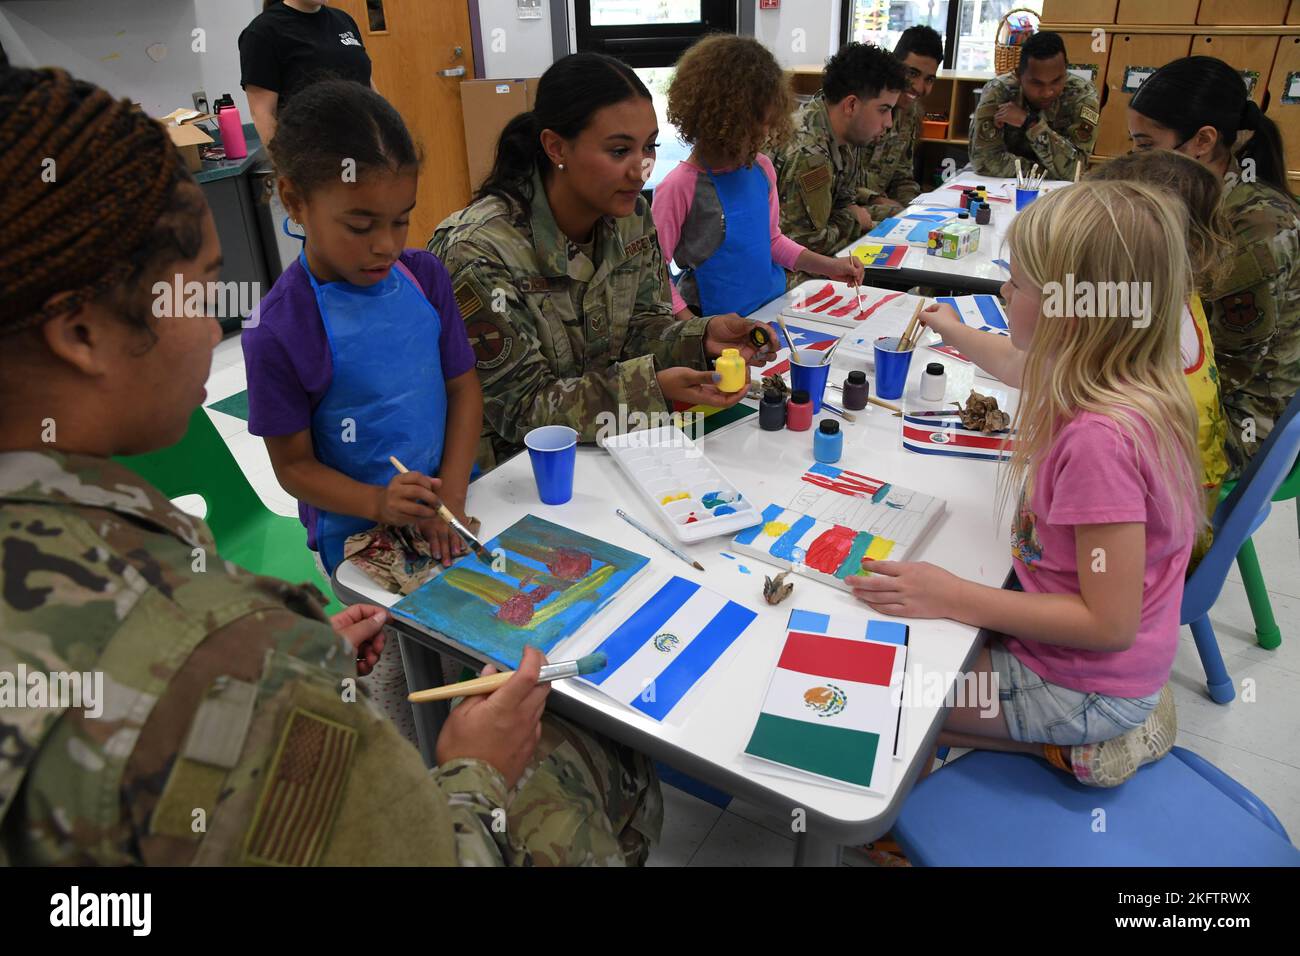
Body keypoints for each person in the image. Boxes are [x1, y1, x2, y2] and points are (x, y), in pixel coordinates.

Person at [0, 65, 661, 867]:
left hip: (438, 520)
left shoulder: (420, 279)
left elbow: (463, 390)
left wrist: (446, 495)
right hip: (368, 547)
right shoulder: (204, 643)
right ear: (80, 334)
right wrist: (474, 774)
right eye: (203, 288)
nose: (216, 332)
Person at [851, 182, 1201, 789]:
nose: (1004, 292)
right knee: (904, 696)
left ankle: (1084, 744)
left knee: (876, 693)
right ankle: (1075, 729)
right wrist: (948, 325)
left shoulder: (1101, 441)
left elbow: (1108, 624)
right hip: (1085, 662)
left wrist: (952, 595)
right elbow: (1014, 362)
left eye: (1017, 283)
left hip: (1078, 684)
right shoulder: (1103, 372)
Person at [429, 53, 777, 472]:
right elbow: (521, 410)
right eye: (618, 150)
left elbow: (640, 329)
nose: (640, 170)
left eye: (649, 147)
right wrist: (649, 392)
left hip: (611, 449)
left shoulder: (630, 218)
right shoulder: (480, 251)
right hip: (518, 476)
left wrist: (701, 338)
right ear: (556, 147)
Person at [1128, 55, 1300, 474]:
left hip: (1242, 418)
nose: (1137, 160)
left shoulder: (1256, 226)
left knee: (1093, 437)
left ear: (1202, 141)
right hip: (1199, 378)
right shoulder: (1200, 197)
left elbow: (1227, 368)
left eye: (1147, 146)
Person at [652, 34, 862, 321]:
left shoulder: (761, 168)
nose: (763, 136)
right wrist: (693, 330)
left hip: (771, 310)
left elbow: (773, 241)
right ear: (722, 121)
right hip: (713, 323)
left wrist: (828, 266)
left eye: (767, 125)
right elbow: (654, 274)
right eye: (755, 128)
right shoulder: (679, 187)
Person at [771, 42, 907, 279]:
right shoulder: (809, 154)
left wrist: (859, 212)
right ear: (851, 105)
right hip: (782, 272)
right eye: (883, 110)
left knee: (896, 217)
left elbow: (844, 201)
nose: (889, 123)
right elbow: (806, 244)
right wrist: (855, 219)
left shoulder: (843, 134)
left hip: (809, 254)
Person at [239, 0, 374, 146]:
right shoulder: (262, 32)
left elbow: (367, 84)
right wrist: (283, 167)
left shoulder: (344, 20)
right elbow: (263, 114)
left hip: (366, 147)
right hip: (311, 155)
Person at [970, 31, 1099, 181]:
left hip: (1056, 193)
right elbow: (983, 162)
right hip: (999, 187)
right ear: (1018, 75)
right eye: (1037, 83)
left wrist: (1030, 123)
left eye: (1057, 81)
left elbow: (1075, 170)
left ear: (1066, 71)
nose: (1047, 92)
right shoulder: (999, 91)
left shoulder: (1082, 95)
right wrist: (1049, 172)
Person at [856, 25, 944, 222]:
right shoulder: (862, 104)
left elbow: (902, 176)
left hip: (882, 213)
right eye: (912, 73)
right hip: (848, 212)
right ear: (894, 65)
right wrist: (877, 199)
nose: (919, 87)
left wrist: (916, 208)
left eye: (929, 79)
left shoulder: (910, 112)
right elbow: (836, 181)